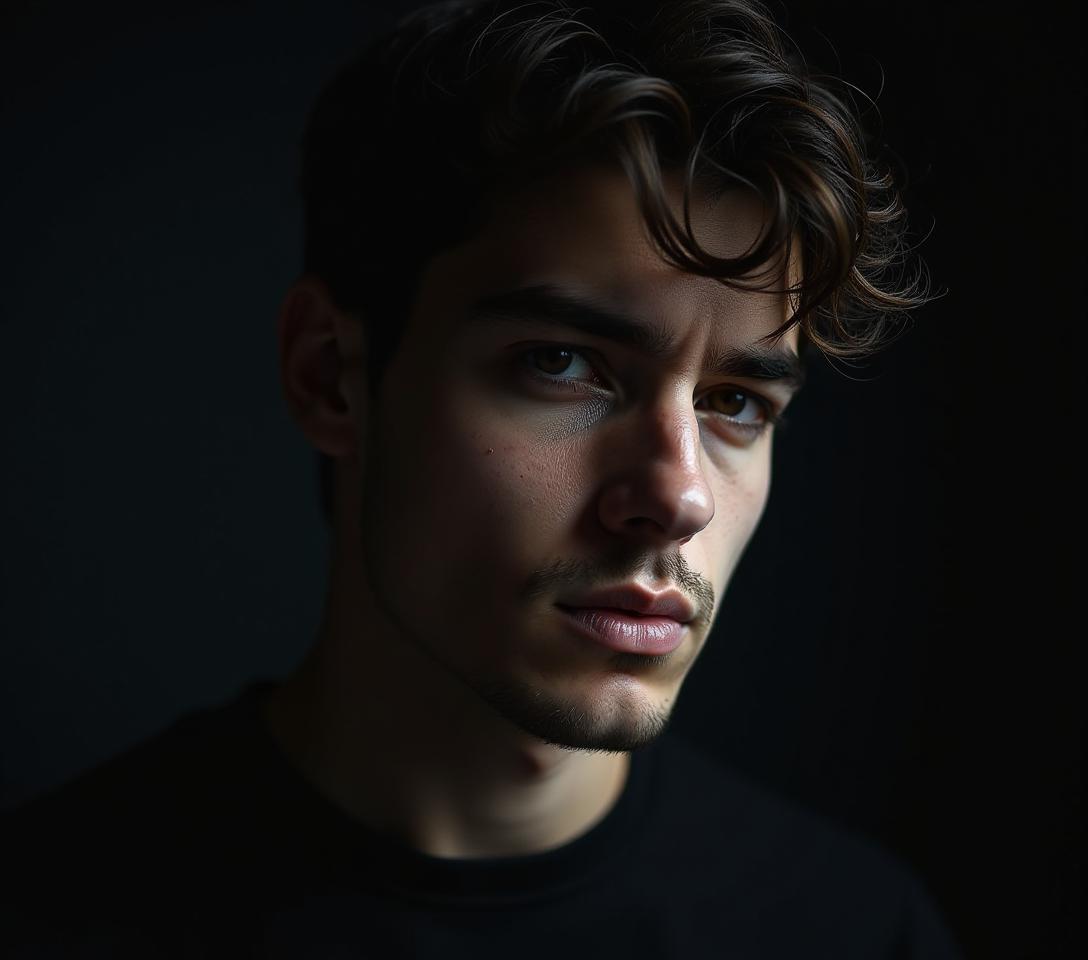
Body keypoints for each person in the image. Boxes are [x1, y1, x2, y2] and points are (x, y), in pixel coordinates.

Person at [2, 1, 962, 956]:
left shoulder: (859, 934)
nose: (679, 496)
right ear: (329, 376)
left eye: (736, 404)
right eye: (561, 364)